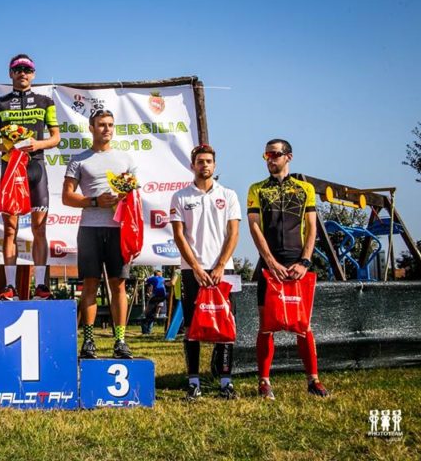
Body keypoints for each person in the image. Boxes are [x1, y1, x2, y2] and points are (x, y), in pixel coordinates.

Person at [247, 138, 329, 399]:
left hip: (297, 262)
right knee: (266, 325)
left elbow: (312, 226)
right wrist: (270, 262)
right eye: (266, 155)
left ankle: (313, 380)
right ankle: (264, 382)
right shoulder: (256, 188)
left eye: (275, 154)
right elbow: (254, 226)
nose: (270, 159)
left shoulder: (305, 188)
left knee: (304, 325)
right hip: (269, 263)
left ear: (288, 157)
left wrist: (305, 261)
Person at [62, 109, 136, 359]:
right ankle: (89, 340)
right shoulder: (79, 160)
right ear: (91, 128)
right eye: (102, 124)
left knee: (119, 285)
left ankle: (120, 341)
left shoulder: (125, 159)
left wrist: (124, 197)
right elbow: (67, 197)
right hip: (89, 229)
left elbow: (134, 196)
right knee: (90, 285)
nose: (107, 129)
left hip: (118, 230)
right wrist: (94, 201)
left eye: (110, 125)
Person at [0, 54, 60, 300]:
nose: (22, 73)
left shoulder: (45, 102)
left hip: (36, 168)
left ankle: (41, 286)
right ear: (10, 73)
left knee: (39, 228)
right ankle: (10, 287)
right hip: (11, 171)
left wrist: (37, 144)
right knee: (10, 230)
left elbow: (56, 138)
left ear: (33, 74)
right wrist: (7, 145)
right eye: (17, 69)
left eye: (27, 69)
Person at [171, 144, 241, 400]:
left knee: (225, 325)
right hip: (193, 270)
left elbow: (233, 233)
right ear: (193, 166)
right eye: (200, 161)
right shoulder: (180, 196)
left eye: (209, 161)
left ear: (215, 165)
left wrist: (221, 265)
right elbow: (179, 236)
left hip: (224, 270)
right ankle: (193, 382)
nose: (205, 165)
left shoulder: (228, 195)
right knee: (192, 327)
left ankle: (225, 382)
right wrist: (196, 267)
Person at [141, 269, 170, 334]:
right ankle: (157, 313)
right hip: (162, 295)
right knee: (159, 303)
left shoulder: (153, 278)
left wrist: (147, 279)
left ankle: (146, 313)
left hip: (156, 295)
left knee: (150, 308)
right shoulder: (162, 278)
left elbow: (147, 281)